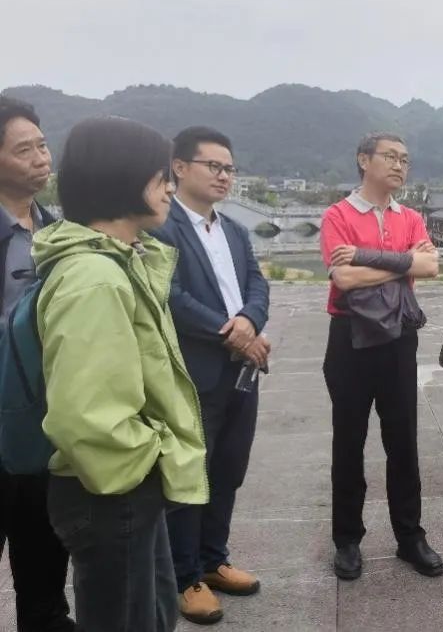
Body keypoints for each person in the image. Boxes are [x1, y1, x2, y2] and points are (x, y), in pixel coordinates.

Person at [35, 117, 207, 631]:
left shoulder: (117, 262)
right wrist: (150, 459)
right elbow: (86, 416)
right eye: (160, 177)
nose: (170, 188)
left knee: (151, 614)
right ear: (123, 177)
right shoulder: (95, 278)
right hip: (112, 489)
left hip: (119, 484)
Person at [151, 127, 270, 624]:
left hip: (242, 373)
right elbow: (171, 297)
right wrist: (233, 331)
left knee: (227, 470)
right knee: (189, 475)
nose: (224, 176)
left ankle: (213, 559)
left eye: (229, 168)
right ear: (179, 168)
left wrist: (251, 321)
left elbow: (257, 284)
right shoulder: (162, 227)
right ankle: (184, 577)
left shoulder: (234, 230)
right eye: (214, 166)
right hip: (195, 374)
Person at [320, 132, 443, 581]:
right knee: (348, 441)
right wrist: (401, 261)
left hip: (399, 337)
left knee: (403, 440)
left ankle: (410, 536)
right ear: (363, 160)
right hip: (350, 338)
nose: (399, 166)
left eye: (405, 159)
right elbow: (344, 278)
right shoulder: (337, 215)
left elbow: (431, 266)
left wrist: (369, 259)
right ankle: (347, 539)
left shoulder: (410, 217)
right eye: (390, 157)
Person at [0, 96, 75, 631]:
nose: (40, 158)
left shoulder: (54, 230)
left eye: (42, 145)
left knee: (45, 549)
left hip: (41, 420)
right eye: (23, 149)